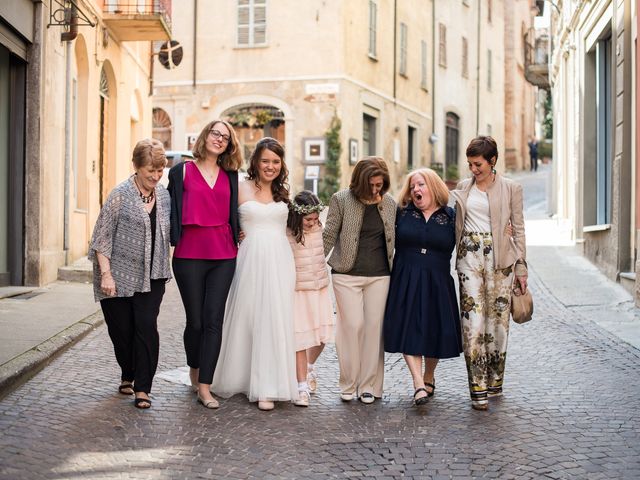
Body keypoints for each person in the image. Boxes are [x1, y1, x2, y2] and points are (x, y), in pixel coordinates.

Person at [212, 137, 298, 411]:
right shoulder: (239, 187)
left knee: (274, 317)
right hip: (249, 259)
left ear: (281, 164)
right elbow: (223, 221)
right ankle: (243, 377)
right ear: (256, 162)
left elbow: (296, 230)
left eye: (275, 161)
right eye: (265, 161)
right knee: (248, 315)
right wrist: (235, 235)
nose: (270, 166)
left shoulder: (284, 193)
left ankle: (270, 385)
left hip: (279, 260)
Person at [89, 138, 171, 409]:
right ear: (136, 166)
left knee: (146, 328)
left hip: (153, 275)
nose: (156, 176)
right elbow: (102, 237)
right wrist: (106, 275)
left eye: (160, 171)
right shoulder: (120, 194)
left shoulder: (165, 196)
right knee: (121, 331)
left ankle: (143, 388)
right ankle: (128, 372)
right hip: (118, 276)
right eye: (151, 171)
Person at [167, 119, 242, 409]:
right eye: (215, 133)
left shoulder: (231, 175)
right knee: (195, 322)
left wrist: (242, 228)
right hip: (188, 253)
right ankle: (194, 367)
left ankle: (205, 386)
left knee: (213, 320)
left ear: (229, 144)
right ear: (205, 136)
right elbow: (168, 209)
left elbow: (239, 208)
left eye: (225, 137)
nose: (219, 139)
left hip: (224, 254)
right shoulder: (181, 172)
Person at [452, 136, 528, 411]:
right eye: (470, 164)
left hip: (501, 262)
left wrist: (521, 267)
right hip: (469, 260)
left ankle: (496, 380)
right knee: (473, 322)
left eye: (478, 164)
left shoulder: (511, 188)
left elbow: (518, 229)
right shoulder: (463, 187)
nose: (473, 169)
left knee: (498, 325)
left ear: (492, 161)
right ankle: (478, 388)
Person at [383, 168, 462, 406]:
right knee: (409, 328)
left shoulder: (451, 216)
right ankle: (418, 382)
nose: (416, 190)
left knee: (434, 329)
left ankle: (429, 375)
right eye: (413, 186)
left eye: (421, 185)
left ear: (434, 187)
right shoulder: (401, 213)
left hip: (437, 278)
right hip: (406, 276)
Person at [323, 157, 396, 405]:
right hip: (346, 273)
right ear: (360, 182)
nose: (376, 190)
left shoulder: (389, 203)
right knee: (352, 326)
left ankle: (368, 386)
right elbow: (329, 234)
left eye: (379, 185)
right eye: (372, 185)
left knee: (374, 329)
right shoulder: (341, 199)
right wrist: (312, 266)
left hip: (380, 275)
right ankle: (348, 383)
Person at [286, 191, 335, 407]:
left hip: (320, 289)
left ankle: (309, 367)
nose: (313, 223)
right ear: (298, 217)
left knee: (322, 337)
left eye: (316, 219)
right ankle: (301, 388)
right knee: (301, 340)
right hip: (299, 291)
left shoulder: (319, 229)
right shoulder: (286, 233)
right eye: (308, 220)